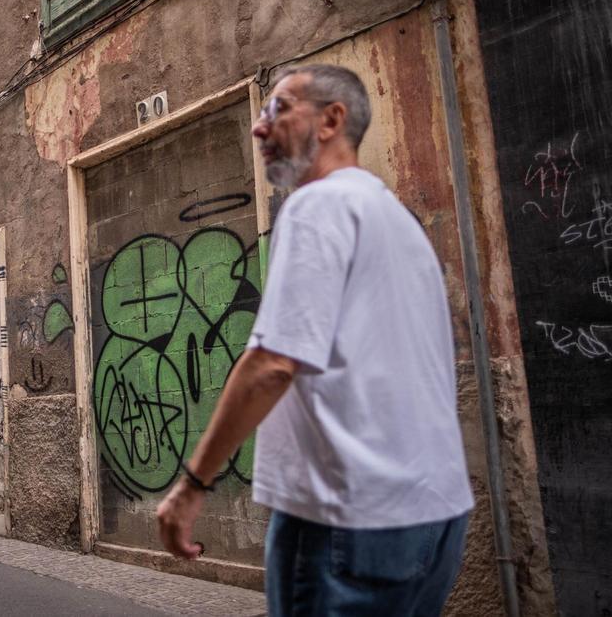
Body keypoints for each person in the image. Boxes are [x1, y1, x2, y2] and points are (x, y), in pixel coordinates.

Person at [156, 64, 473, 616]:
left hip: (345, 519)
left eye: (278, 108)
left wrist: (191, 485)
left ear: (332, 120)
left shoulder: (317, 205)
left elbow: (273, 364)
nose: (259, 127)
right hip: (434, 518)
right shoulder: (397, 222)